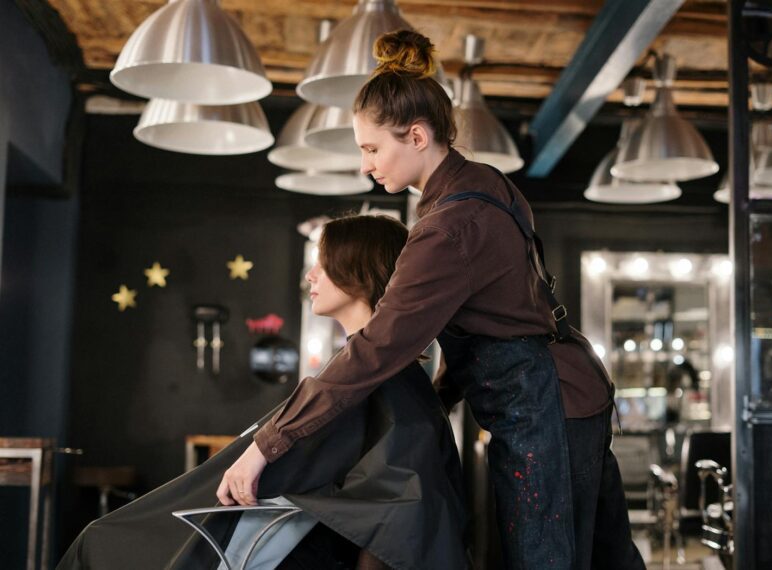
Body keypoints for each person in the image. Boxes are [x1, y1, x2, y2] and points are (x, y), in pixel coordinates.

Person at [220, 30, 644, 569]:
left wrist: (267, 444)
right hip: (571, 395)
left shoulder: (450, 227)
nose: (365, 165)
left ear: (417, 136)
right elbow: (493, 322)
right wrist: (434, 400)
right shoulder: (486, 185)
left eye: (372, 148)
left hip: (547, 410)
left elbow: (378, 346)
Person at [59, 215, 466, 570]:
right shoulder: (368, 375)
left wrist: (260, 454)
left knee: (101, 543)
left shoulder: (375, 382)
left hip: (308, 546)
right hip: (295, 537)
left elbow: (397, 514)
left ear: (357, 271)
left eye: (322, 264)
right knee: (103, 538)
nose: (311, 275)